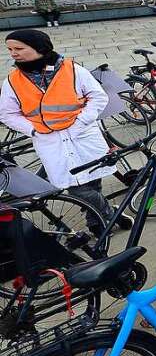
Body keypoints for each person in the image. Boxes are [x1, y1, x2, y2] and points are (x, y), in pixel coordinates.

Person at [0, 30, 126, 236]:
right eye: (11, 49)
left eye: (19, 48)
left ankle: (97, 222)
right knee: (76, 187)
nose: (14, 54)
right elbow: (6, 114)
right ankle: (110, 215)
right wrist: (32, 129)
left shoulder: (72, 69)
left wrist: (81, 121)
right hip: (50, 141)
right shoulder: (13, 81)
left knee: (93, 181)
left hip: (83, 136)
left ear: (40, 48)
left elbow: (98, 97)